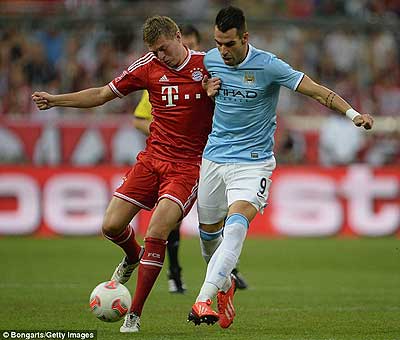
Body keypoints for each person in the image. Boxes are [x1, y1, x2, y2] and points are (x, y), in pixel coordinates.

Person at [187, 6, 374, 329]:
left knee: (236, 225)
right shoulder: (210, 61)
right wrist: (205, 93)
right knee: (208, 238)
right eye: (218, 43)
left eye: (229, 44)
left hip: (253, 163)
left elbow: (318, 92)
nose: (223, 51)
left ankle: (202, 299)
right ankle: (225, 283)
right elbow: (193, 96)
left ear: (245, 38)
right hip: (214, 158)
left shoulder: (269, 65)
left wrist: (353, 114)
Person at [32, 15, 215, 333]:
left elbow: (240, 98)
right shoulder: (147, 67)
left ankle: (134, 314)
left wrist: (217, 93)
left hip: (187, 167)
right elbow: (102, 94)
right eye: (154, 51)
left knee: (157, 229)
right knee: (111, 225)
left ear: (177, 36)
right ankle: (133, 257)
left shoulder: (209, 65)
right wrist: (56, 100)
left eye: (163, 48)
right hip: (152, 159)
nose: (160, 56)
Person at [133, 24, 249, 293]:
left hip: (211, 157)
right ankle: (175, 274)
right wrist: (168, 130)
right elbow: (140, 118)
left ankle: (229, 270)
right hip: (171, 158)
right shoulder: (158, 78)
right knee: (169, 221)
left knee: (217, 218)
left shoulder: (210, 68)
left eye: (193, 43)